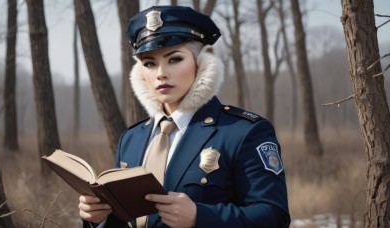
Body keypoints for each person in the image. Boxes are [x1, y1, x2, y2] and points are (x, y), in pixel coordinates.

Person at [78, 5, 290, 228]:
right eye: (149, 63)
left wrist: (200, 216)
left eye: (174, 59)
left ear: (202, 63)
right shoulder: (131, 139)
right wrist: (98, 219)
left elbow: (274, 216)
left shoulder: (243, 132)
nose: (161, 73)